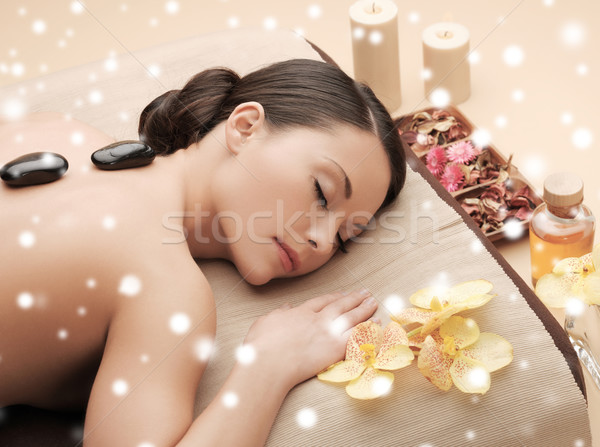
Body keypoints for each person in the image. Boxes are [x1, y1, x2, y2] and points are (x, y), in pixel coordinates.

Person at [0, 59, 406, 446]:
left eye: (343, 238)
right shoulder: (168, 291)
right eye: (322, 192)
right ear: (246, 127)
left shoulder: (56, 128)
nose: (321, 240)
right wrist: (269, 366)